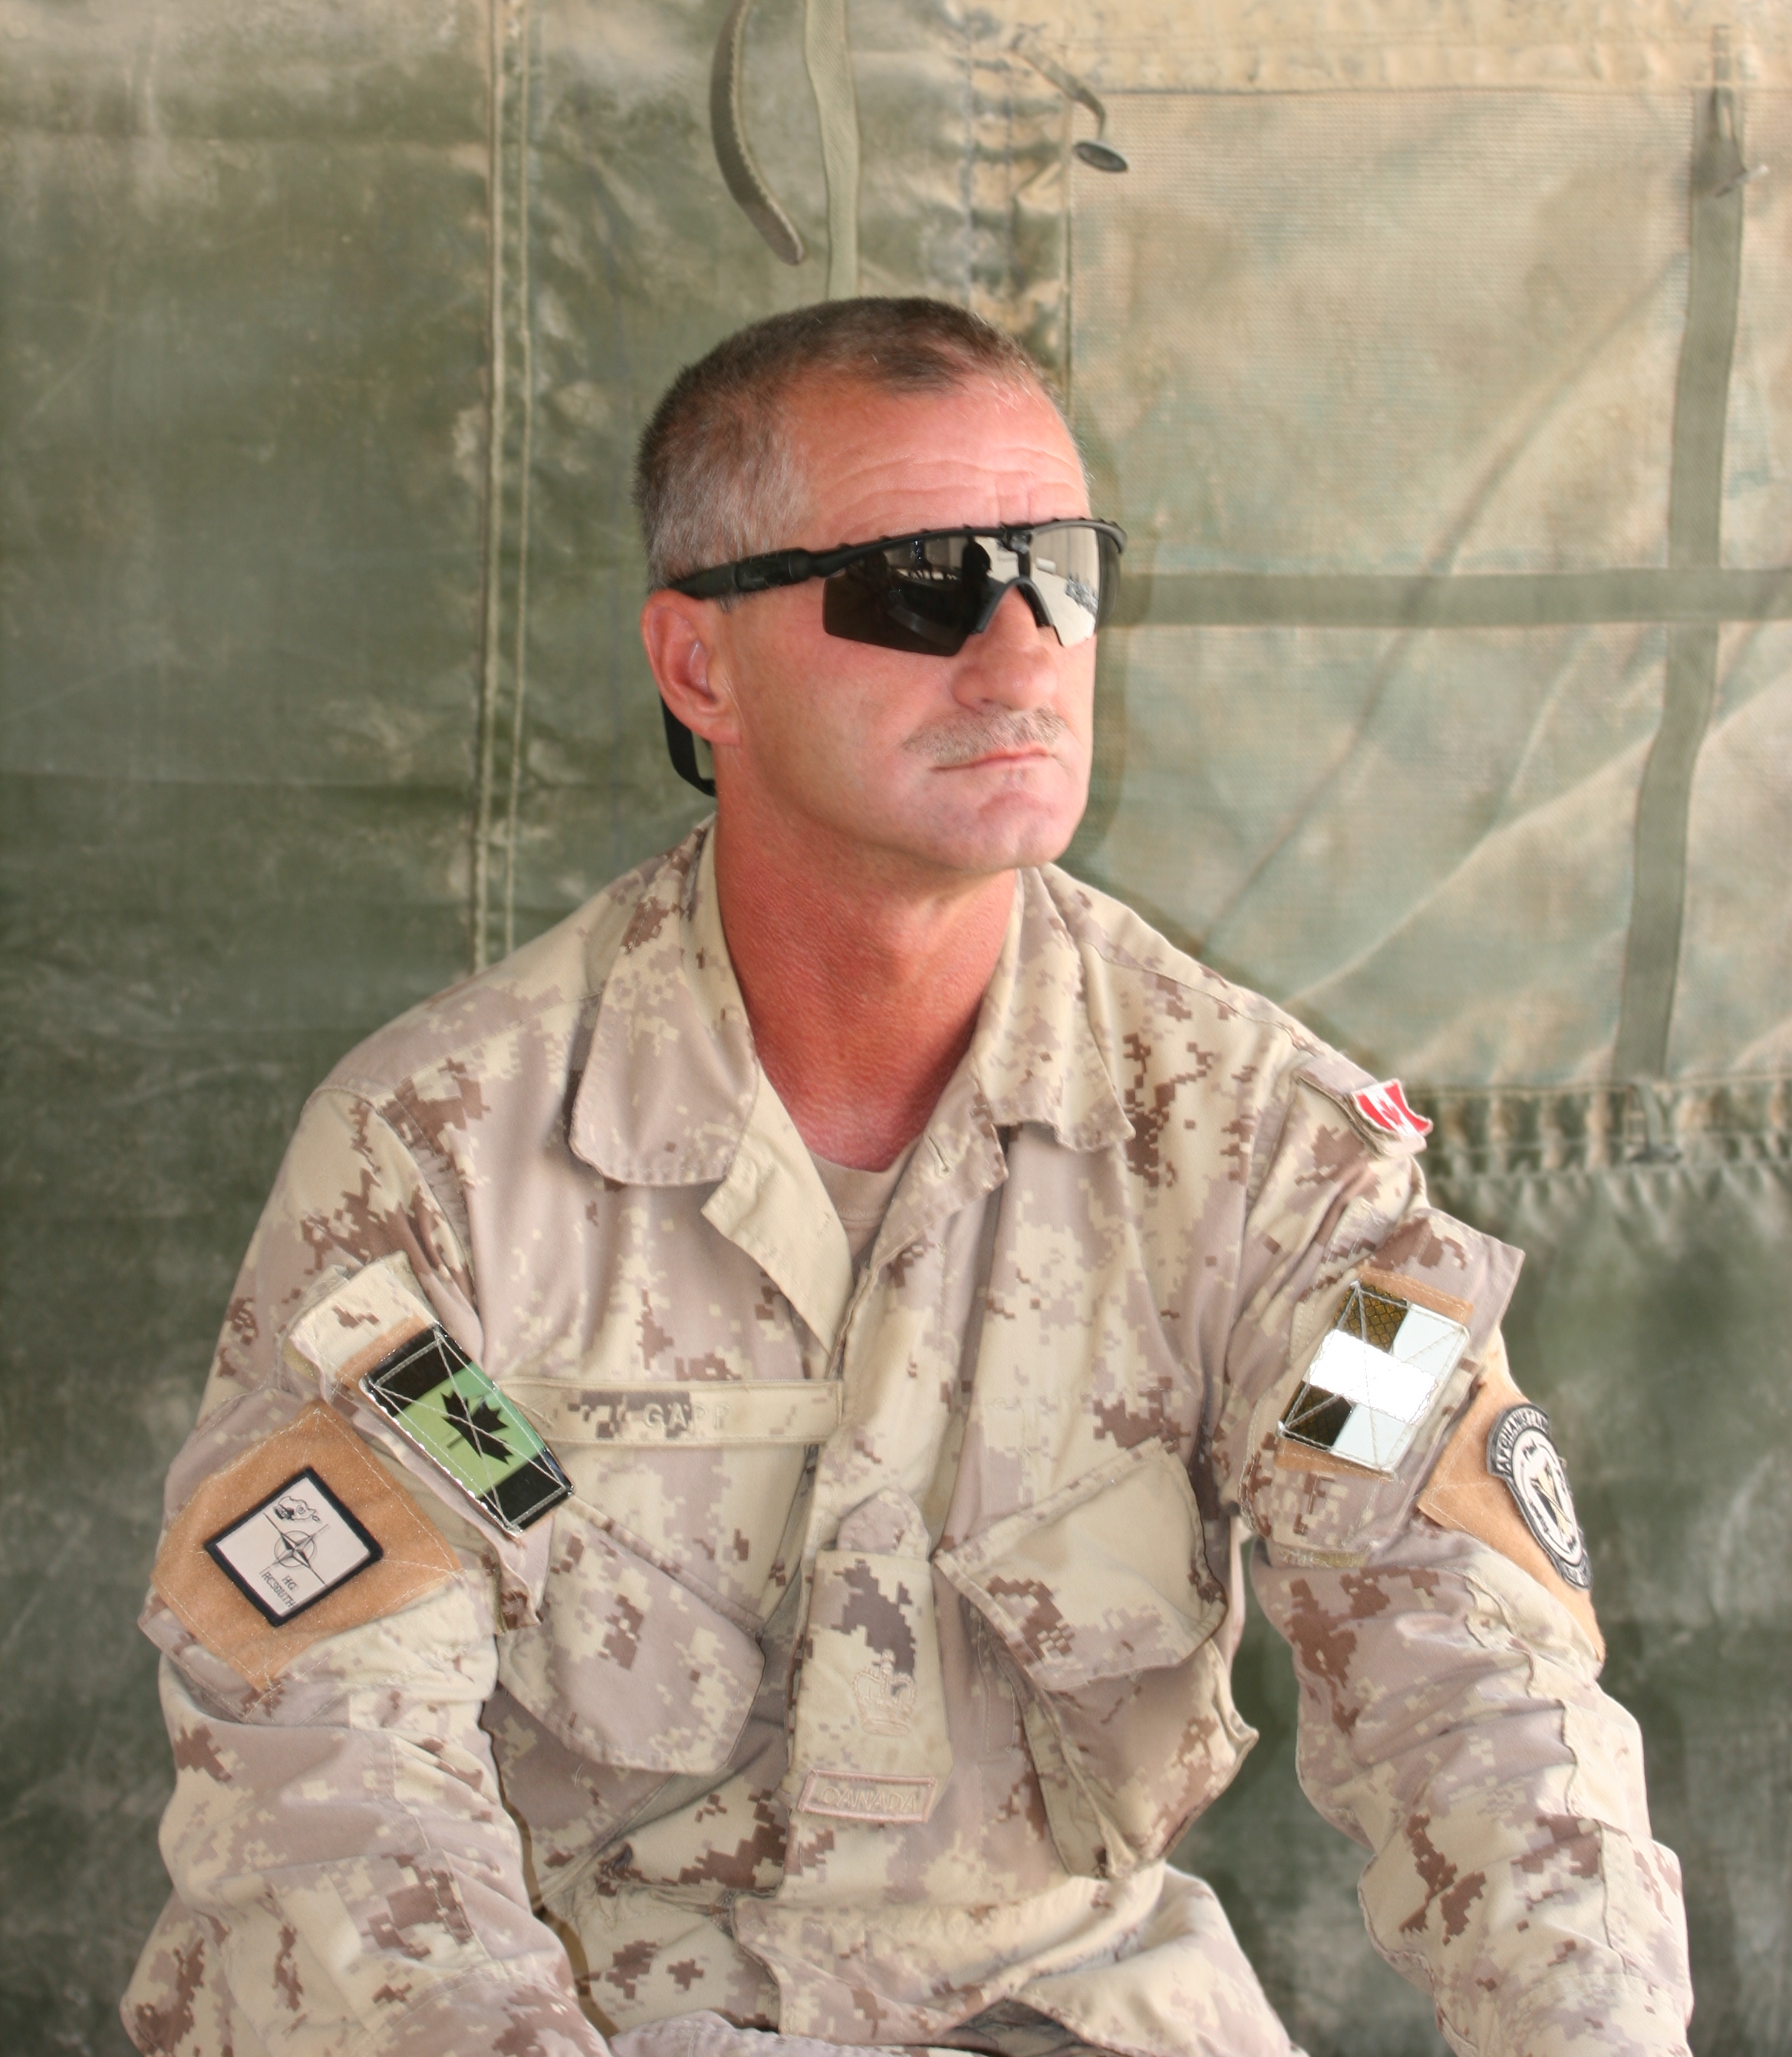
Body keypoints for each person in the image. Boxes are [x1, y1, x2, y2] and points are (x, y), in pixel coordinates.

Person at [123, 298, 1693, 2057]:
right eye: (922, 586)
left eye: (1061, 575)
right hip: (586, 2006)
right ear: (699, 665)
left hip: (1060, 2005)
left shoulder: (1273, 1157)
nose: (1022, 657)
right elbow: (340, 1767)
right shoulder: (447, 1161)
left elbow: (1475, 1687)